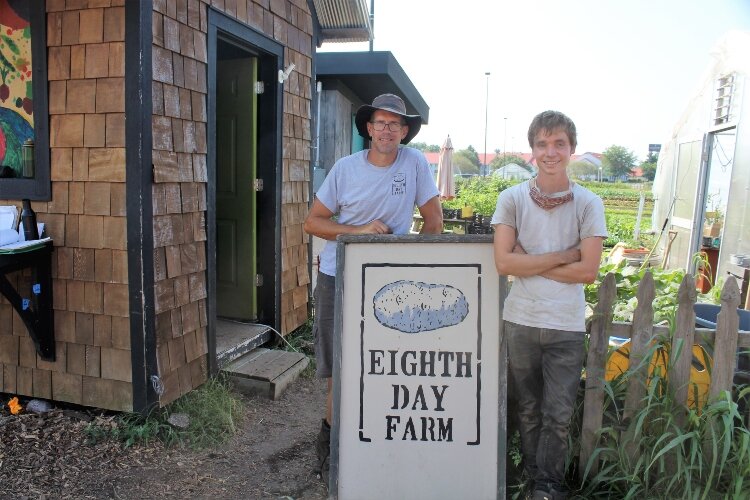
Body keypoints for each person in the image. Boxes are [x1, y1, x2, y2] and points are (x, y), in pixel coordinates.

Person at [303, 93, 443, 483]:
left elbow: (434, 220)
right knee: (338, 364)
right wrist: (357, 231)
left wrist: (420, 266)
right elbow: (313, 222)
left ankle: (384, 444)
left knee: (389, 361)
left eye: (394, 124)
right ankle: (330, 444)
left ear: (404, 132)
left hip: (389, 281)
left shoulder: (414, 163)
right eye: (380, 123)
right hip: (338, 275)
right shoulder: (345, 169)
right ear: (368, 128)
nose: (386, 130)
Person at [491, 111, 607, 500]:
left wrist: (533, 261)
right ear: (532, 150)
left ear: (571, 149)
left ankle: (547, 487)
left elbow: (588, 271)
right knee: (527, 408)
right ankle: (530, 476)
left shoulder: (589, 204)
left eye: (559, 143)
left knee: (557, 415)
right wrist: (564, 255)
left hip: (566, 326)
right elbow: (504, 263)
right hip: (521, 320)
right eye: (542, 144)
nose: (550, 151)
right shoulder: (512, 199)